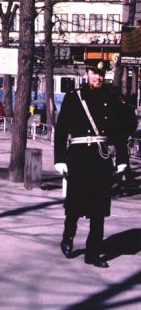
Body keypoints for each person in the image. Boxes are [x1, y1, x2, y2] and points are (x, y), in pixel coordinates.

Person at [54, 63, 136, 268]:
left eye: (101, 74)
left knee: (99, 208)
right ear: (87, 73)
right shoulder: (74, 97)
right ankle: (68, 236)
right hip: (79, 157)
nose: (98, 77)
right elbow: (62, 129)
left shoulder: (110, 99)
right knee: (74, 204)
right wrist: (60, 159)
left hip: (101, 159)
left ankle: (93, 252)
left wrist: (123, 160)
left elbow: (118, 133)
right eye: (94, 73)